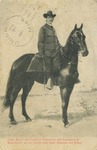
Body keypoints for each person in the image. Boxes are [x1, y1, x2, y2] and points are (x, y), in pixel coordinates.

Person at [27, 10, 80, 89]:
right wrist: (42, 54)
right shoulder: (43, 29)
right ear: (46, 19)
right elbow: (40, 42)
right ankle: (49, 82)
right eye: (49, 17)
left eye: (51, 17)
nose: (50, 19)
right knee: (49, 64)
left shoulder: (53, 29)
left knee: (64, 60)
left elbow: (56, 41)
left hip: (55, 51)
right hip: (47, 53)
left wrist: (61, 47)